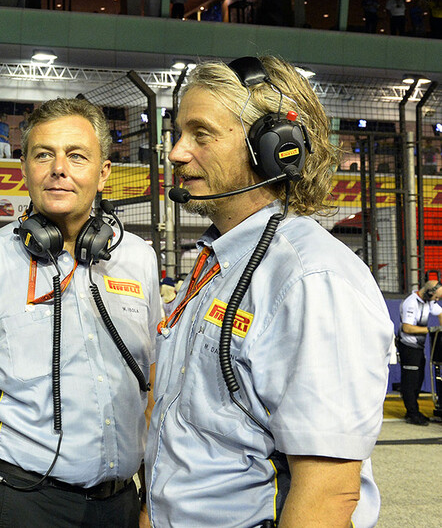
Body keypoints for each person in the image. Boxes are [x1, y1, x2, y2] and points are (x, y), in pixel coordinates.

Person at [147, 56, 393, 527]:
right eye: (178, 134)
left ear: (273, 146)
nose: (177, 153)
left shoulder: (311, 280)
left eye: (201, 134)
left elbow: (328, 492)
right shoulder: (218, 264)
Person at [0, 97, 161, 528]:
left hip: (122, 506)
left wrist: (150, 502)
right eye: (44, 155)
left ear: (103, 172)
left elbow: (150, 391)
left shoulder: (139, 259)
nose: (59, 168)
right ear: (24, 168)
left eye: (76, 156)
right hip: (23, 503)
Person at [397, 279, 441, 425]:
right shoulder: (411, 303)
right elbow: (407, 328)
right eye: (436, 297)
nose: (437, 300)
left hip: (418, 347)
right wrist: (430, 329)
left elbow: (440, 313)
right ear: (429, 292)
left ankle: (414, 411)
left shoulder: (429, 302)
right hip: (408, 347)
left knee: (418, 380)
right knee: (410, 381)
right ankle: (412, 413)